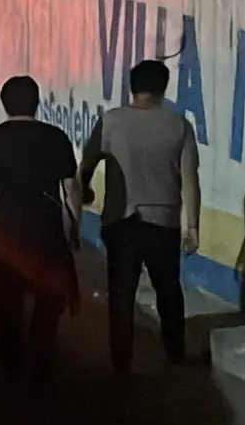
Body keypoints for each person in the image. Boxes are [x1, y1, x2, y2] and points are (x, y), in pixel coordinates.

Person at [77, 59, 201, 374]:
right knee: (169, 291)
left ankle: (121, 361)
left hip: (120, 222)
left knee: (121, 293)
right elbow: (190, 181)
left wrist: (85, 194)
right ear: (164, 88)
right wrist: (193, 226)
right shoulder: (179, 125)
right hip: (164, 223)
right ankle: (175, 354)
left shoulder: (112, 121)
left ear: (132, 87)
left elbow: (85, 166)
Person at [0, 76, 81, 391]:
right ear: (36, 103)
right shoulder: (56, 138)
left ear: (4, 103)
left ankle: (11, 366)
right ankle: (41, 364)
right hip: (46, 231)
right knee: (47, 304)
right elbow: (71, 189)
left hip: (6, 233)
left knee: (7, 305)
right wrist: (75, 227)